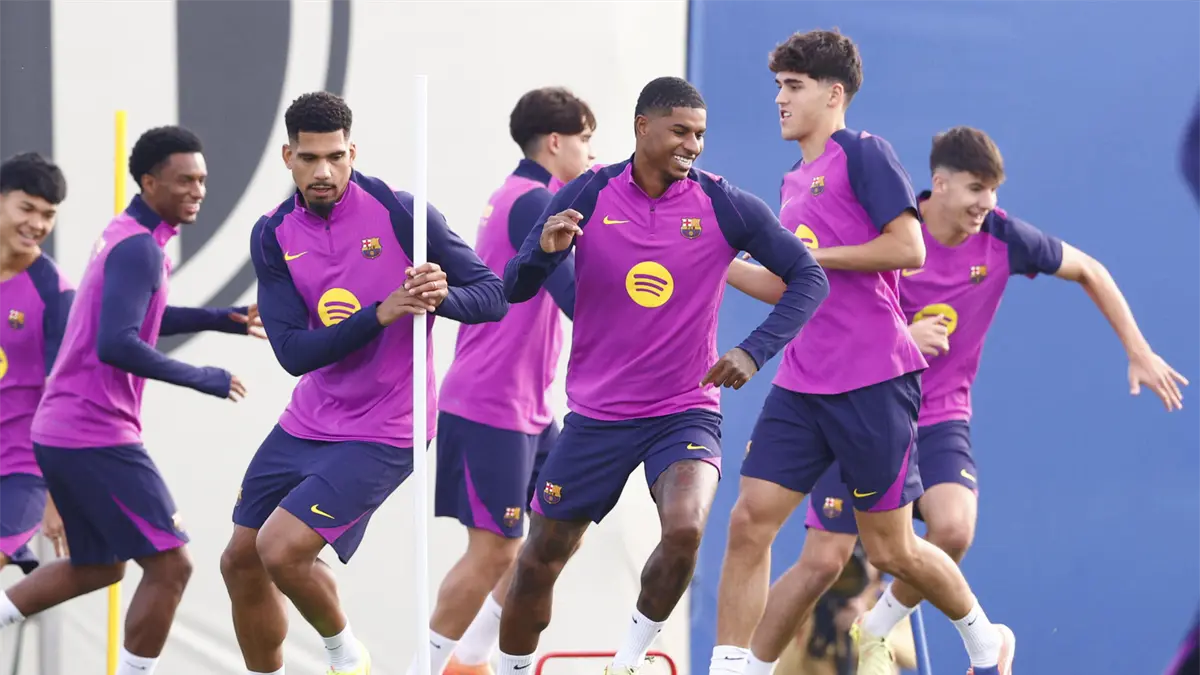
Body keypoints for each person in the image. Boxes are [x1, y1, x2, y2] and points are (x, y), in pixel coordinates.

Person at [736, 123, 1188, 674]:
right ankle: (745, 666)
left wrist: (1137, 349)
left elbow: (1088, 269)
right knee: (822, 562)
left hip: (939, 415)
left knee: (953, 528)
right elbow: (841, 305)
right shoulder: (891, 230)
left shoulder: (1003, 238)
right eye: (976, 188)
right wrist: (905, 336)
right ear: (939, 185)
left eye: (993, 190)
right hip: (866, 404)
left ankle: (875, 630)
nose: (986, 203)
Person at [498, 75, 830, 675]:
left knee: (685, 529)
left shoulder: (724, 203)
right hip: (598, 417)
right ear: (642, 127)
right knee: (539, 561)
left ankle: (626, 662)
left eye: (700, 134)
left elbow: (810, 278)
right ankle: (512, 668)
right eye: (680, 131)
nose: (693, 145)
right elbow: (516, 289)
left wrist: (753, 351)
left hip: (685, 409)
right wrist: (544, 251)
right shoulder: (587, 192)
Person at [710, 30, 1013, 675]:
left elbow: (910, 250)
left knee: (894, 548)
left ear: (833, 92)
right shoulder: (793, 179)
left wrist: (814, 257)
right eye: (777, 88)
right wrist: (715, 261)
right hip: (801, 383)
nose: (780, 100)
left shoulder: (864, 153)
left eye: (793, 87)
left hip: (874, 380)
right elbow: (789, 281)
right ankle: (734, 666)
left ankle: (988, 641)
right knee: (748, 522)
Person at [223, 90, 508, 675]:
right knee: (240, 561)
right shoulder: (272, 233)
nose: (323, 171)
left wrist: (439, 297)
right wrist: (379, 311)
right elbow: (293, 354)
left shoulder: (402, 212)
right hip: (310, 418)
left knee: (281, 548)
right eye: (309, 159)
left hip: (389, 426)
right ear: (287, 158)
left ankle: (346, 657)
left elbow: (493, 295)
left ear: (353, 151)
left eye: (335, 156)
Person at [0, 126, 262, 675]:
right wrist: (201, 377)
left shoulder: (127, 234)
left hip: (64, 430)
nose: (198, 191)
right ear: (150, 182)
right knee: (172, 566)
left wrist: (224, 320)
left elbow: (136, 314)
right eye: (185, 180)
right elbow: (117, 342)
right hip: (92, 431)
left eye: (203, 180)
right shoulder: (139, 248)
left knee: (99, 568)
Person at [417, 87, 596, 675]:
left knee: (558, 533)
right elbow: (573, 295)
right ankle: (431, 663)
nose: (591, 155)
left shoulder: (522, 195)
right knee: (493, 548)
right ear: (555, 142)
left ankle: (468, 659)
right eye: (585, 140)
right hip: (490, 401)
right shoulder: (531, 202)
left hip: (529, 406)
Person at [0, 152, 72, 574]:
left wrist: (55, 498)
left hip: (23, 470)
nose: (38, 224)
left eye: (48, 214)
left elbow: (63, 401)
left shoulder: (55, 294)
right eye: (26, 208)